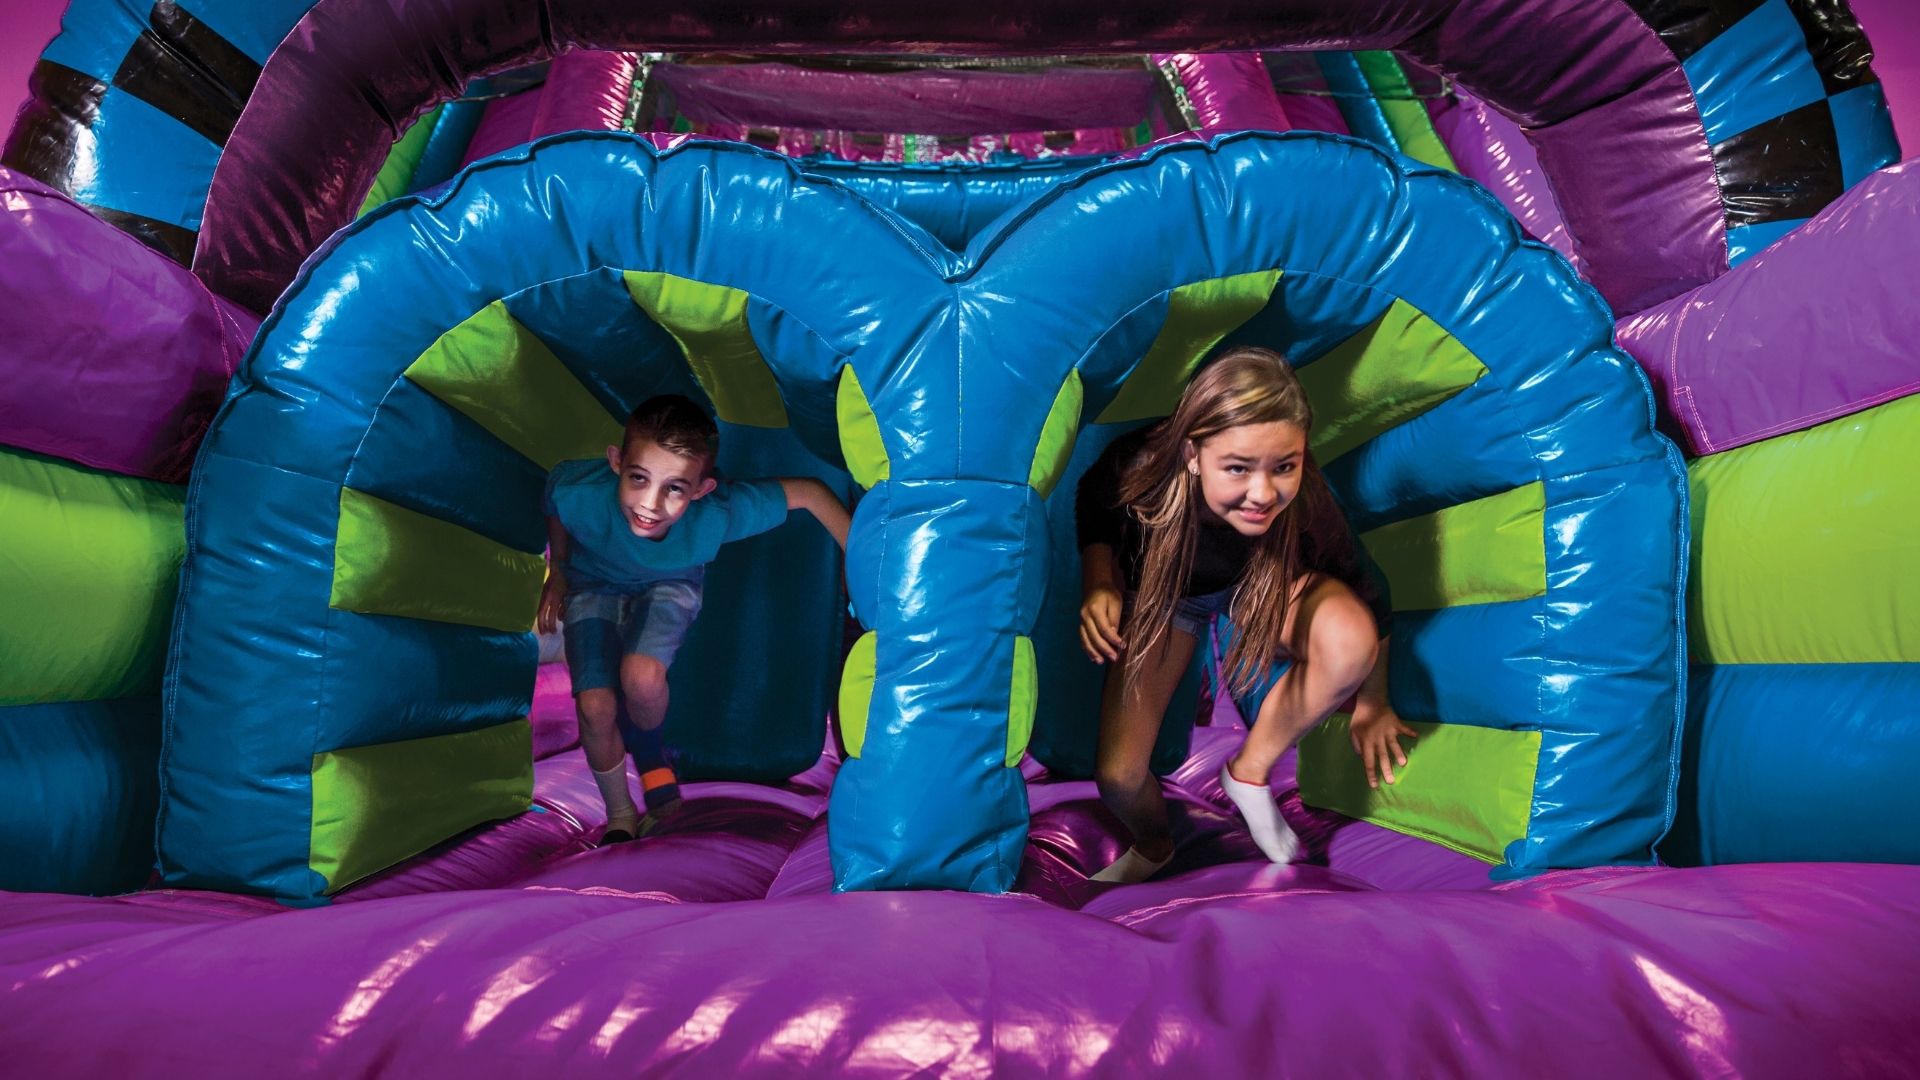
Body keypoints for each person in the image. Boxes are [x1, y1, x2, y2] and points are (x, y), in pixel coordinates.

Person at [1075, 347, 1411, 883]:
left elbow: (1369, 590)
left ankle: (1249, 772)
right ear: (1192, 453)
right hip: (1167, 599)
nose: (1263, 493)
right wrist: (1099, 583)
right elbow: (1095, 506)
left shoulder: (1303, 504)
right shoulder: (1140, 469)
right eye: (1237, 468)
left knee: (1350, 637)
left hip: (1258, 587)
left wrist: (1373, 703)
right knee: (1118, 776)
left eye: (1285, 466)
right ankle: (1156, 845)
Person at [538, 394, 851, 844]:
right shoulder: (581, 491)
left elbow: (811, 492)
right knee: (594, 706)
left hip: (669, 584)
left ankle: (649, 755)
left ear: (701, 489)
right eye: (638, 478)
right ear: (616, 462)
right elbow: (553, 497)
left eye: (675, 489)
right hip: (594, 584)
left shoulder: (716, 513)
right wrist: (560, 572)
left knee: (641, 679)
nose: (650, 504)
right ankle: (621, 816)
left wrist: (855, 559)